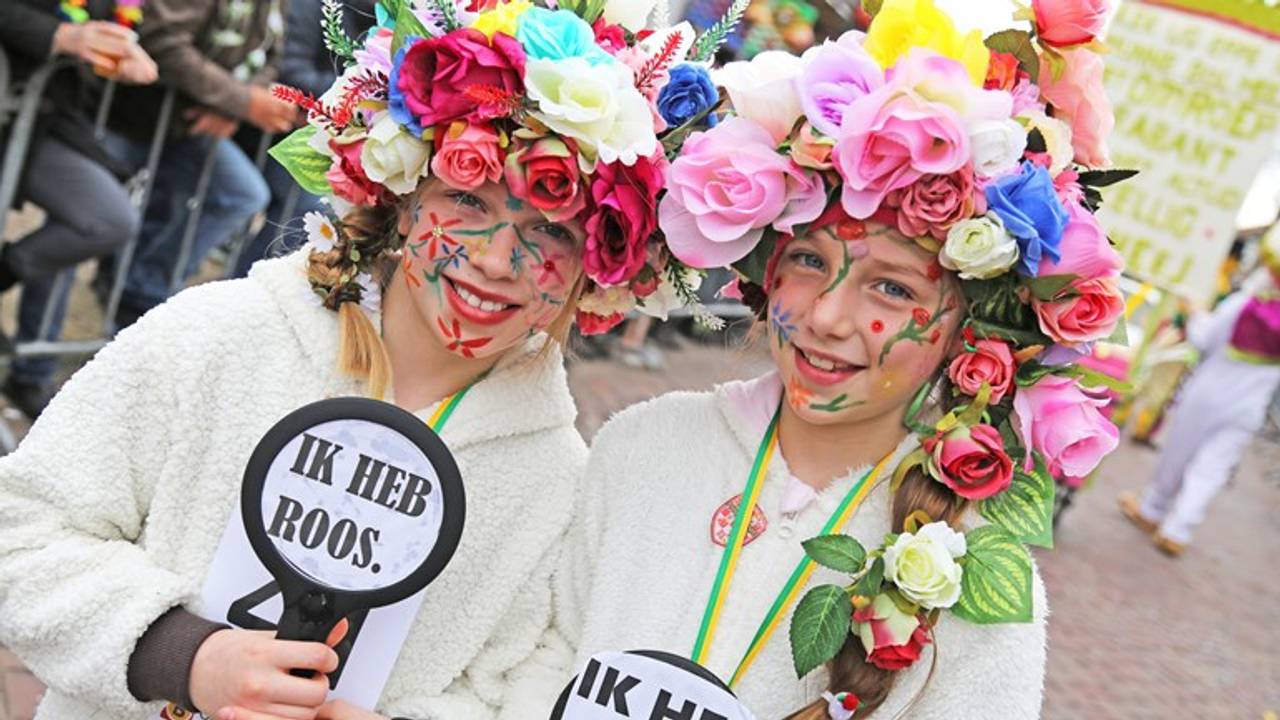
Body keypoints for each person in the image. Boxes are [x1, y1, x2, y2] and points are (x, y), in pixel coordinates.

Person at [0, 2, 697, 720]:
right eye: (465, 196)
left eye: (550, 229)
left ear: (599, 264)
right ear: (402, 199)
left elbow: (516, 684)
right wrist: (180, 654)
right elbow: (23, 523)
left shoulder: (554, 482)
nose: (494, 260)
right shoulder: (220, 337)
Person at [547, 1, 1128, 717]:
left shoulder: (970, 573)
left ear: (969, 326)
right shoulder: (643, 443)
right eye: (808, 261)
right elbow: (544, 657)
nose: (825, 317)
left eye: (891, 286)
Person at [0, 0, 158, 418]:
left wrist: (121, 47)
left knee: (107, 218)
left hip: (45, 121)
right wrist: (61, 35)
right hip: (15, 101)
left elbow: (101, 23)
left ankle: (28, 369)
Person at [100, 0, 298, 327]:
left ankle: (140, 291)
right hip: (128, 113)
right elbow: (164, 43)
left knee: (242, 195)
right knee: (95, 221)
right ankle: (33, 369)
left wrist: (234, 104)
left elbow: (271, 54)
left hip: (191, 121)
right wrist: (242, 102)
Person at [1120, 225, 1280, 556]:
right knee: (1215, 466)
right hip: (1250, 403)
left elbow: (1204, 338)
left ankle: (1153, 509)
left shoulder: (1243, 304)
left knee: (1179, 452)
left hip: (1209, 390)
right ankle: (1178, 530)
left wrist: (1194, 313)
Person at [228, 0, 378, 279]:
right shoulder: (313, 6)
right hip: (269, 134)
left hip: (320, 139)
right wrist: (360, 91)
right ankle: (244, 283)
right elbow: (289, 71)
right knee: (298, 206)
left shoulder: (384, 20)